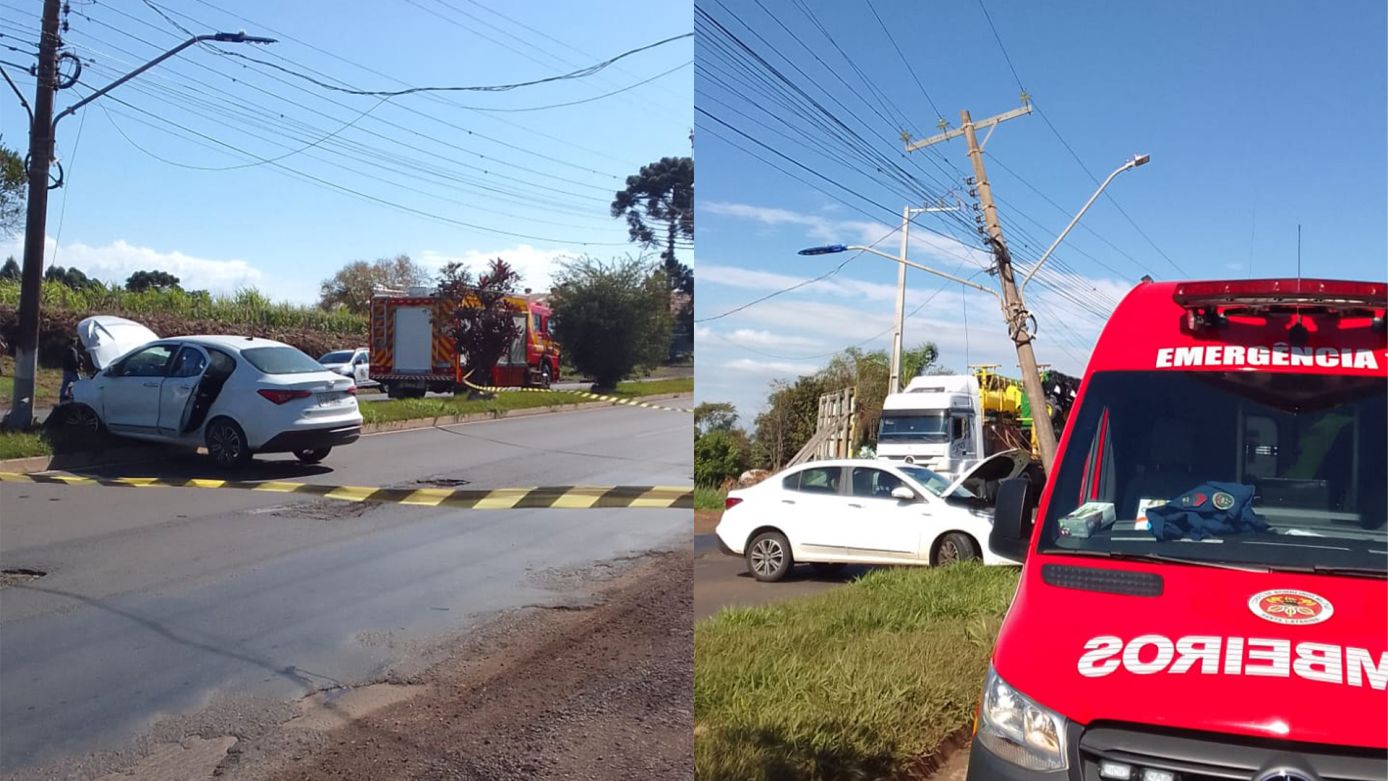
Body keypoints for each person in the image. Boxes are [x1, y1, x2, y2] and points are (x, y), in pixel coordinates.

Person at [60, 336, 82, 402]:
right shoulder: (73, 351)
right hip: (72, 371)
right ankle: (79, 398)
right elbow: (74, 361)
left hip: (66, 370)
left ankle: (61, 399)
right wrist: (78, 366)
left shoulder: (66, 350)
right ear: (74, 343)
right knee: (80, 384)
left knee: (64, 386)